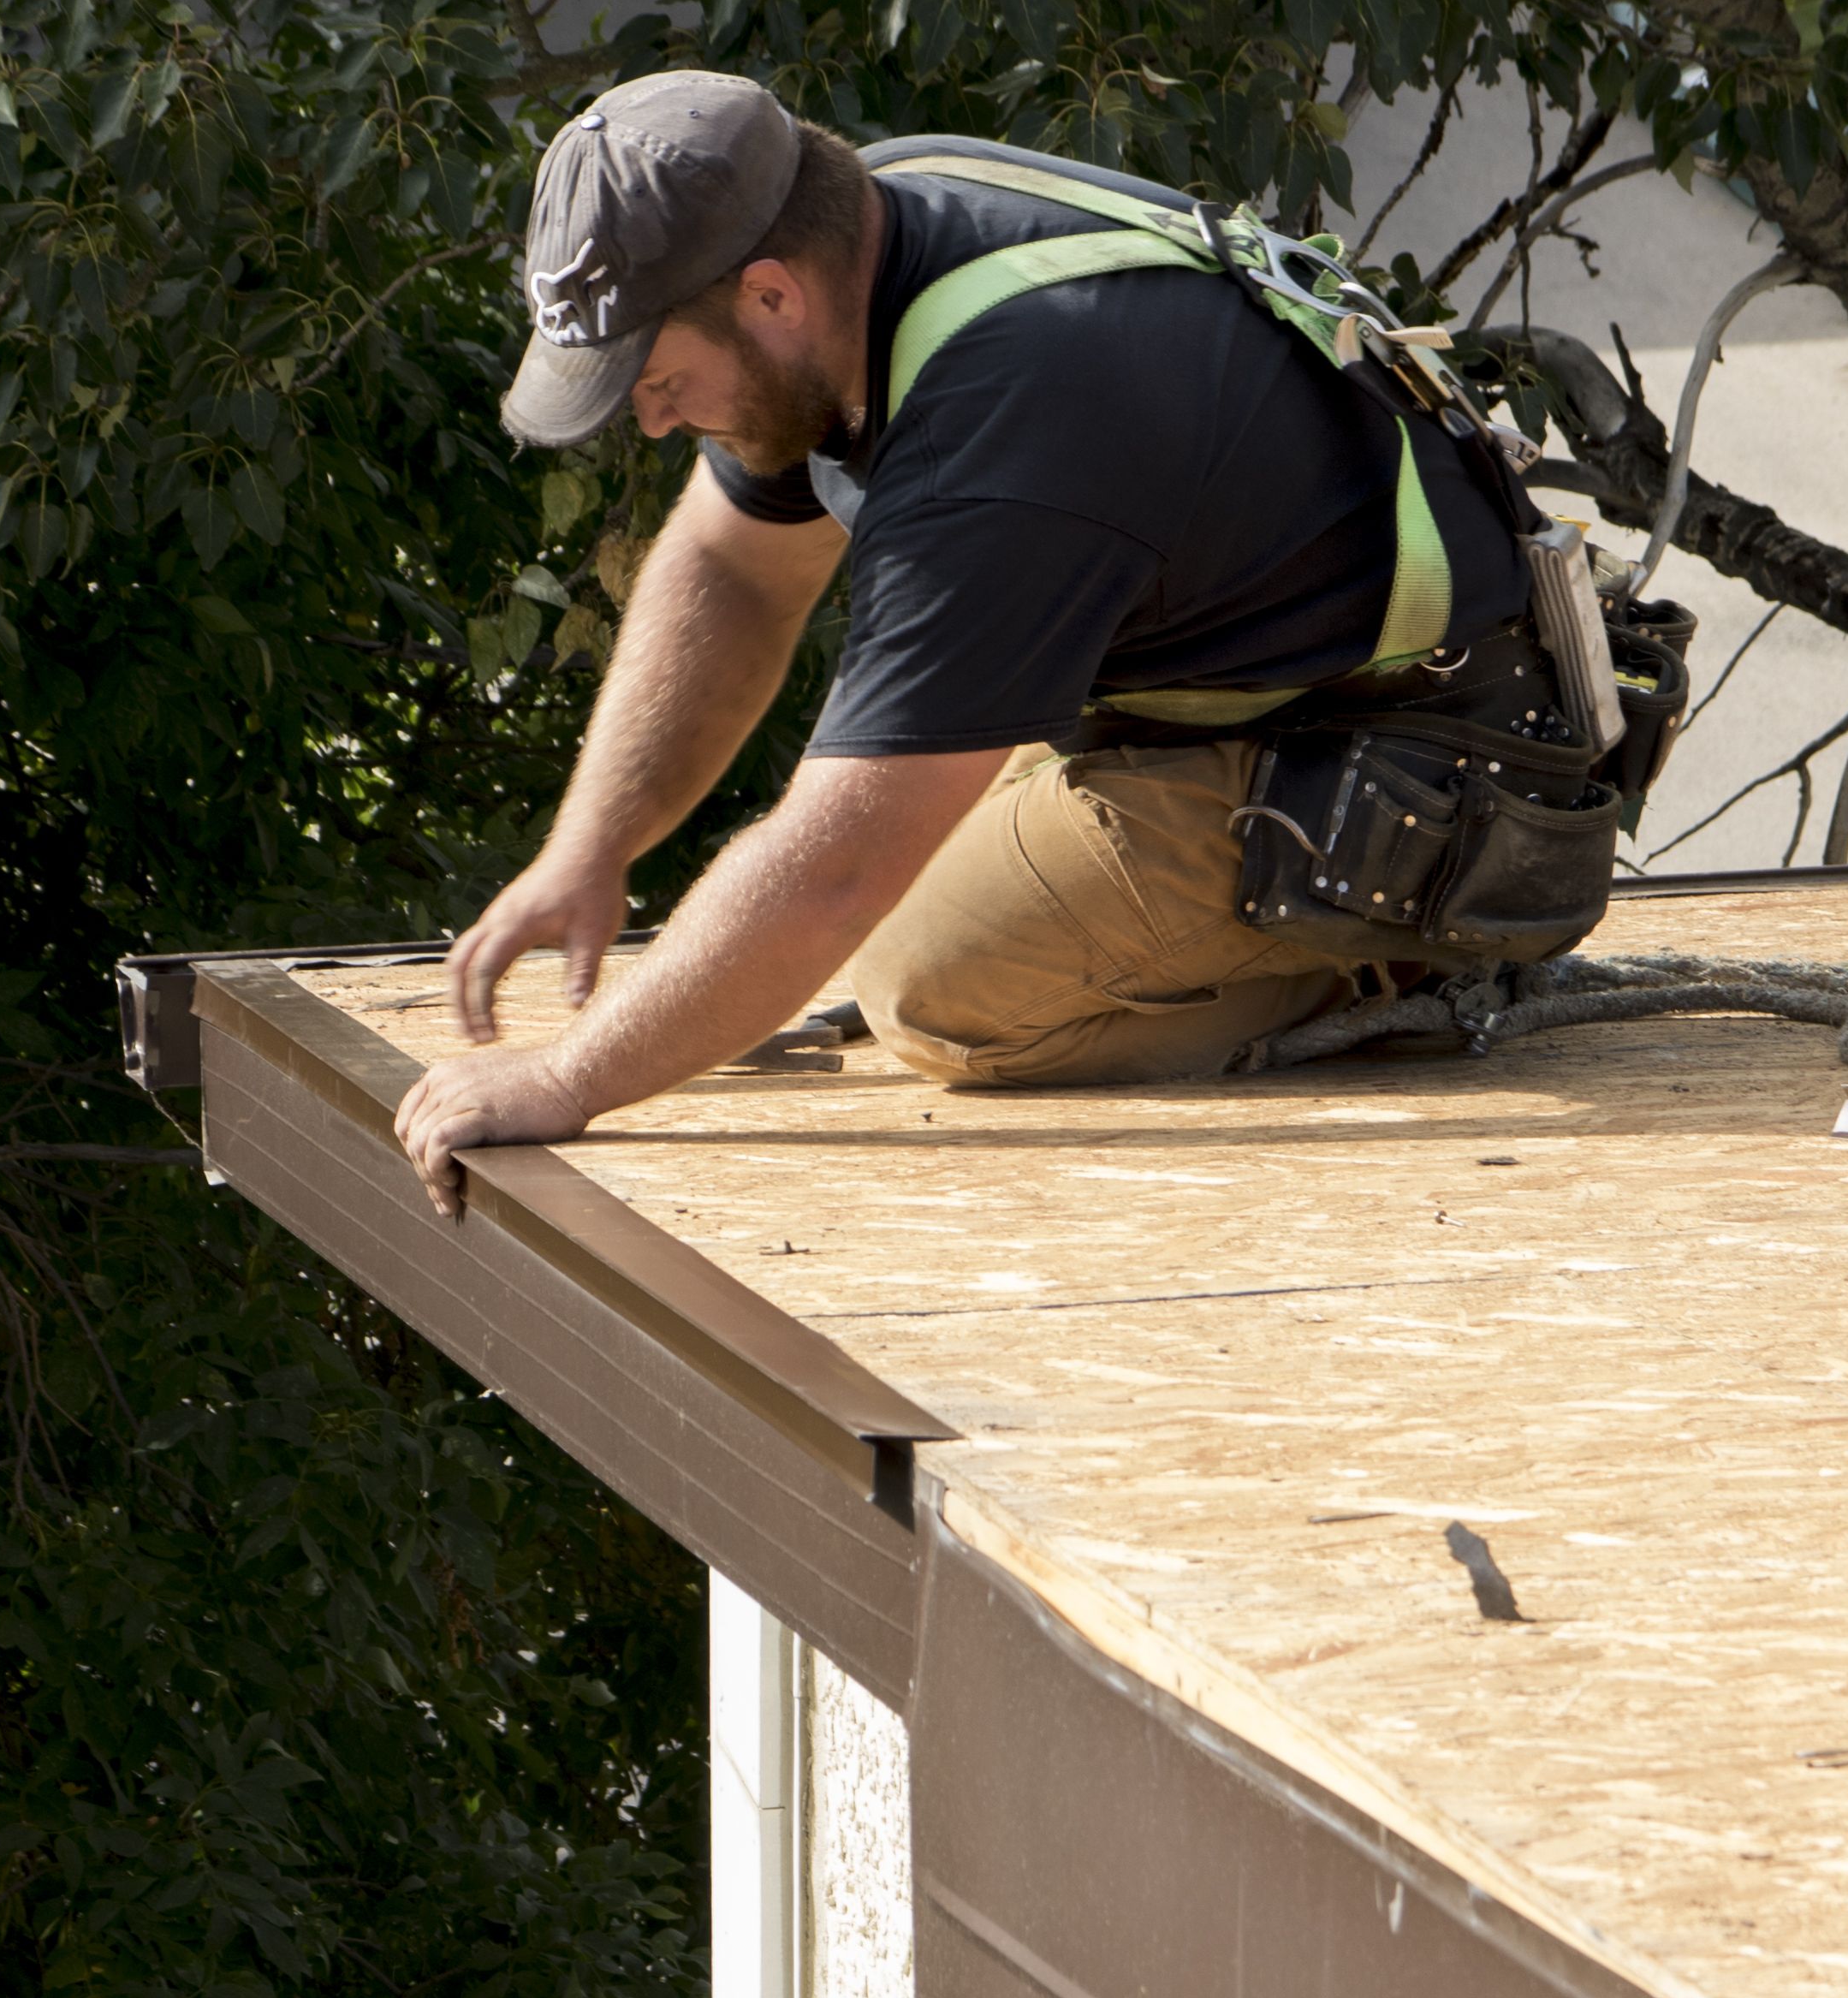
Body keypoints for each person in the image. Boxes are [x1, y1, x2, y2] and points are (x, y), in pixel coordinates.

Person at [392, 70, 1641, 1216]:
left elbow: (833, 872)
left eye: (658, 381)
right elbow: (731, 568)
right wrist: (590, 849)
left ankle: (1398, 963)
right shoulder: (867, 246)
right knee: (814, 895)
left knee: (931, 988)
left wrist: (567, 1079)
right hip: (1245, 706)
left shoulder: (1004, 422)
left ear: (769, 295)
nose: (657, 424)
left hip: (1422, 769)